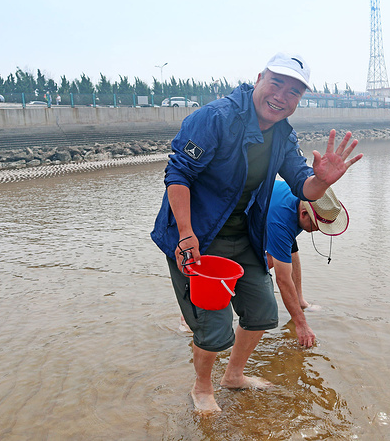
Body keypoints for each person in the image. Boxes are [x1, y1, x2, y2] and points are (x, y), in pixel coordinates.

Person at [150, 52, 362, 413]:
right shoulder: (216, 118)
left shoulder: (282, 135)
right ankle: (202, 387)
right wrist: (185, 234)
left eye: (294, 91)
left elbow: (302, 185)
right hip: (199, 236)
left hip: (245, 235)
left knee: (263, 312)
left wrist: (321, 181)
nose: (282, 96)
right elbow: (179, 174)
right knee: (214, 328)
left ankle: (233, 375)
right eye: (276, 83)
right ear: (259, 78)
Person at [266, 180, 349, 348]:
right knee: (260, 271)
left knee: (289, 250)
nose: (319, 230)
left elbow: (290, 251)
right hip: (245, 213)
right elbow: (282, 279)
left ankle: (299, 300)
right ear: (304, 214)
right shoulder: (280, 221)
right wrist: (301, 324)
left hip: (272, 209)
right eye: (317, 226)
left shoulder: (305, 196)